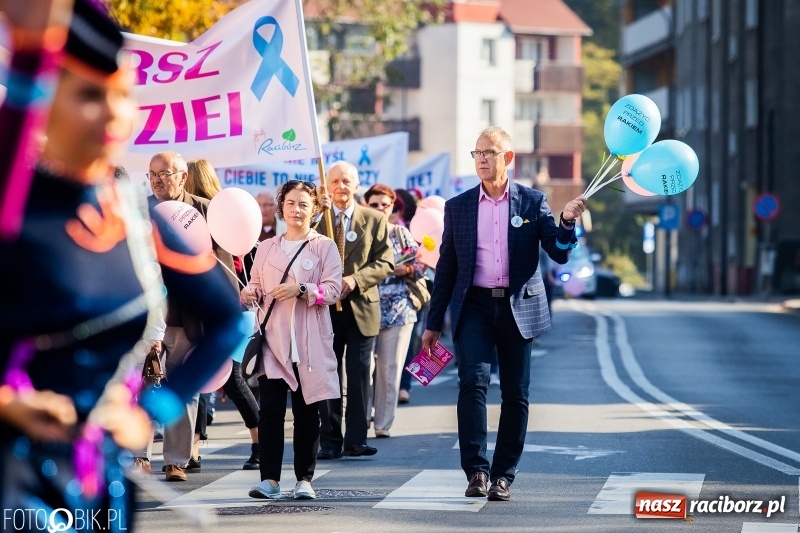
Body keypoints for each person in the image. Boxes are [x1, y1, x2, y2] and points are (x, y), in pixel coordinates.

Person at [0, 0, 241, 529]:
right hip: (14, 483)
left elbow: (228, 322)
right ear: (47, 100)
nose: (113, 113)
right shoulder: (14, 205)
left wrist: (153, 412)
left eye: (123, 96)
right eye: (89, 95)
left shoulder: (135, 215)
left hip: (101, 488)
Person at [421, 126, 587, 502]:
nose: (481, 158)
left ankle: (503, 475)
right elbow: (446, 268)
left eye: (489, 152)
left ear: (507, 158)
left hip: (518, 306)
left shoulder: (532, 202)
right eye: (477, 152)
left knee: (516, 393)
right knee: (473, 383)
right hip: (475, 305)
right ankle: (477, 471)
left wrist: (567, 222)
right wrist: (433, 324)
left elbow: (558, 251)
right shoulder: (459, 206)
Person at [138, 150, 239, 482]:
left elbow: (223, 267)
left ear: (182, 176)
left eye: (165, 174)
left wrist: (221, 315)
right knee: (143, 384)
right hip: (148, 316)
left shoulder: (203, 211)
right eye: (152, 175)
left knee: (185, 389)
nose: (157, 181)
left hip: (189, 318)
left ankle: (176, 460)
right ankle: (139, 455)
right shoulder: (139, 211)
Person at [240, 180, 342, 500]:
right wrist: (249, 292)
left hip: (310, 342)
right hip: (273, 341)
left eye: (303, 204)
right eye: (290, 203)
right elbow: (255, 285)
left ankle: (304, 480)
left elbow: (334, 290)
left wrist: (303, 291)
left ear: (314, 210)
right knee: (270, 412)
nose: (296, 210)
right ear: (281, 206)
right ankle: (269, 480)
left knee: (307, 413)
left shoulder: (323, 246)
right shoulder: (267, 247)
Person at [185, 158, 261, 471]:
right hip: (222, 310)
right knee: (204, 377)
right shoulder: (218, 211)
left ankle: (261, 443)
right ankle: (193, 448)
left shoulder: (209, 216)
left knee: (231, 380)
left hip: (227, 311)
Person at [315, 162, 393, 459]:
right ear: (327, 185)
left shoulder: (373, 220)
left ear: (357, 186)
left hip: (361, 307)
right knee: (327, 374)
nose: (341, 186)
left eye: (346, 181)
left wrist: (355, 280)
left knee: (359, 373)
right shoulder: (318, 221)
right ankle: (330, 440)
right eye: (335, 181)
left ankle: (356, 438)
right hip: (324, 309)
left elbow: (385, 262)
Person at [364, 184, 424, 437]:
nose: (380, 209)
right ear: (366, 206)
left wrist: (406, 269)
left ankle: (383, 423)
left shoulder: (400, 233)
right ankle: (362, 416)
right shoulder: (359, 232)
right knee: (363, 368)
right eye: (374, 204)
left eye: (385, 204)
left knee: (390, 368)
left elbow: (420, 266)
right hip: (365, 308)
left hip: (398, 308)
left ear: (392, 207)